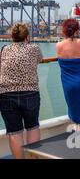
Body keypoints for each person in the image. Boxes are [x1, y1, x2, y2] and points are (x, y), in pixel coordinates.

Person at [0, 23, 42, 159]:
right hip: (30, 92)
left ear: (12, 36)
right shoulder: (34, 48)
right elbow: (40, 60)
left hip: (6, 94)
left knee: (15, 132)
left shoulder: (5, 49)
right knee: (33, 128)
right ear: (27, 36)